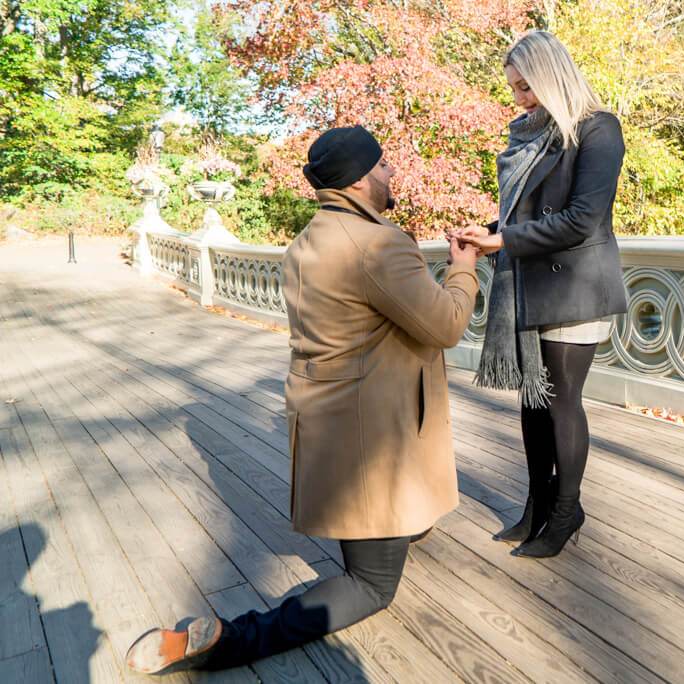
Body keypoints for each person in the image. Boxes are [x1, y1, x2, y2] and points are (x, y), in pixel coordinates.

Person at [125, 125, 480, 675]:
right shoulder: (379, 244)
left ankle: (406, 524)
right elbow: (448, 324)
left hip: (327, 427)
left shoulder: (306, 241)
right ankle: (226, 640)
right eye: (382, 165)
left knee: (399, 524)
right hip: (371, 444)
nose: (391, 172)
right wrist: (462, 268)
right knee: (370, 586)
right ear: (360, 180)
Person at [459, 31, 628, 559]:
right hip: (532, 286)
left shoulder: (599, 130)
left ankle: (565, 512)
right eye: (513, 89)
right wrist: (484, 233)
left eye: (527, 86)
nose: (520, 99)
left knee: (561, 403)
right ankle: (536, 504)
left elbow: (580, 220)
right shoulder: (528, 136)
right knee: (533, 402)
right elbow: (521, 217)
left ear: (553, 77)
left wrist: (502, 239)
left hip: (577, 284)